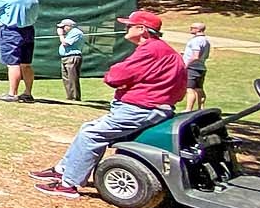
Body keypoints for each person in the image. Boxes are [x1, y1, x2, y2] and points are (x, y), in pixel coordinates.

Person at [31, 11, 186, 198]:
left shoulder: (150, 49)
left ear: (142, 29)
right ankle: (63, 169)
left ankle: (68, 184)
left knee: (92, 134)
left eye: (130, 25)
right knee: (88, 128)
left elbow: (116, 76)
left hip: (142, 108)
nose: (126, 28)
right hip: (152, 106)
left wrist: (119, 78)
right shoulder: (164, 50)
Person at [182, 21, 211, 110]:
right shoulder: (205, 41)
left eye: (192, 28)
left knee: (190, 89)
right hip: (201, 67)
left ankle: (188, 109)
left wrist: (185, 65)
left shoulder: (196, 41)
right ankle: (201, 108)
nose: (190, 29)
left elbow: (195, 56)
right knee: (199, 89)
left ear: (198, 29)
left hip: (192, 68)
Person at [57, 18, 86, 101]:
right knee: (66, 78)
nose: (62, 29)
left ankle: (75, 97)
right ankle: (70, 96)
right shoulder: (70, 33)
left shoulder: (76, 32)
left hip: (72, 57)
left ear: (69, 26)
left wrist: (61, 35)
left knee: (72, 78)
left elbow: (65, 43)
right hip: (65, 57)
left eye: (63, 27)